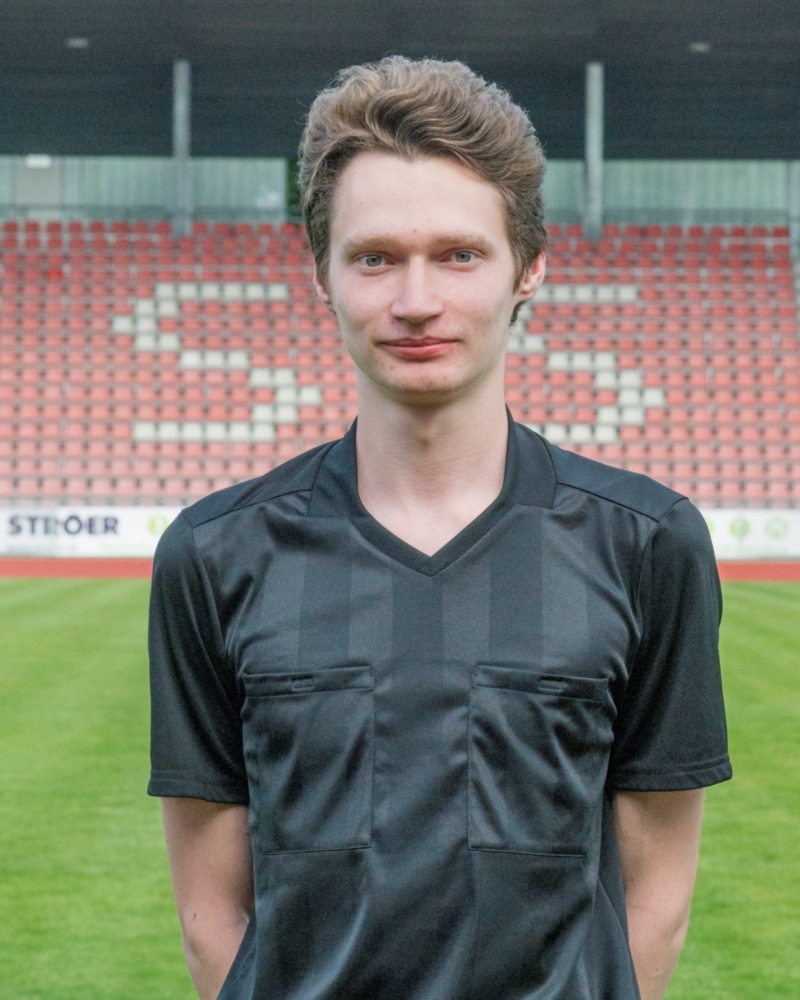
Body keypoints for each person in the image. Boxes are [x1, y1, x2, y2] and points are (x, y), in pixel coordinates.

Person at [148, 56, 731, 1000]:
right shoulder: (212, 554)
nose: (416, 300)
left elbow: (656, 888)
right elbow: (209, 908)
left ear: (529, 267)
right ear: (322, 275)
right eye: (375, 257)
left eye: (460, 255)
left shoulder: (649, 543)